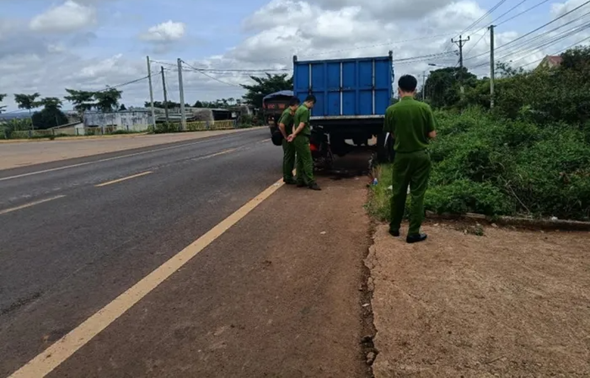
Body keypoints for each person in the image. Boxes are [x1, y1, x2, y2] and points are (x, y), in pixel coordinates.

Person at [384, 75, 437, 244]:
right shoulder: (424, 108)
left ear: (399, 90)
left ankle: (394, 228)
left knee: (398, 193)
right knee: (417, 194)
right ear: (415, 90)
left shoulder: (391, 110)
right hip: (421, 156)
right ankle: (413, 232)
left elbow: (392, 134)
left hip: (401, 156)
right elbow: (432, 135)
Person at [288, 95, 321, 191]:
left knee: (299, 160)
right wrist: (294, 135)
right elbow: (302, 125)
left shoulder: (298, 109)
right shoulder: (305, 110)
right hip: (302, 137)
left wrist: (293, 134)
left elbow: (295, 124)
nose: (313, 106)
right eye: (313, 104)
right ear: (310, 102)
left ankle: (299, 180)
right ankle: (311, 182)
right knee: (308, 160)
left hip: (297, 138)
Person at [278, 96, 301, 184]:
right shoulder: (287, 113)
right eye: (298, 105)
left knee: (290, 157)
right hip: (287, 138)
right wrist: (285, 136)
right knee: (288, 157)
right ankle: (287, 177)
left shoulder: (289, 112)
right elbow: (281, 125)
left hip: (288, 137)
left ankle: (288, 176)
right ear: (295, 105)